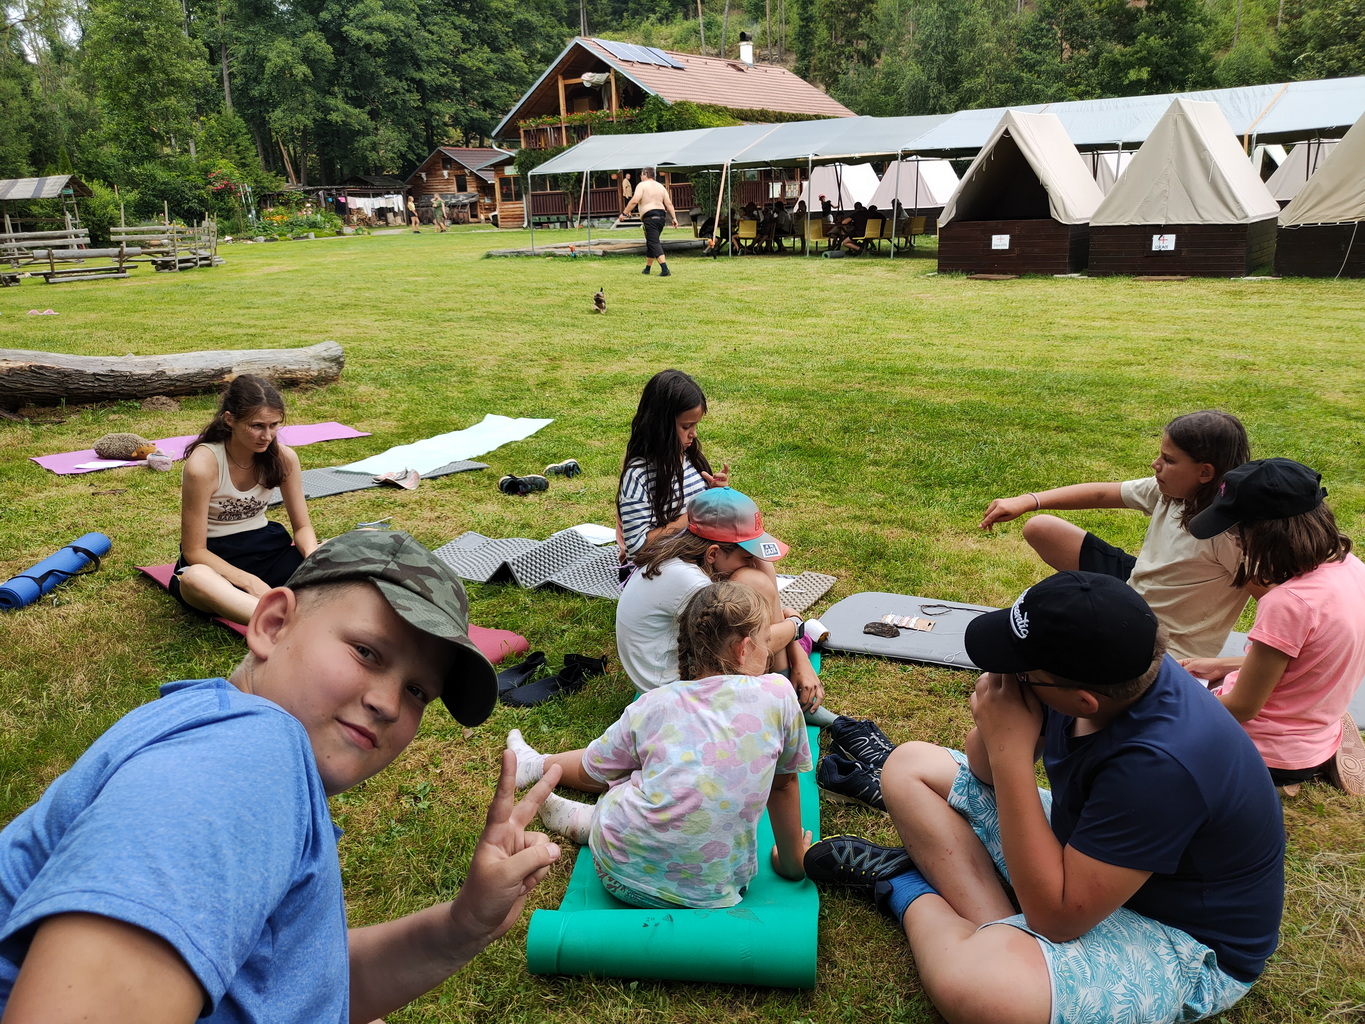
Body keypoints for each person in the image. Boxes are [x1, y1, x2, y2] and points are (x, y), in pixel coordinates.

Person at [0, 529, 564, 1023]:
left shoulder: (243, 748)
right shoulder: (243, 764)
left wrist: (461, 928)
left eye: (418, 690)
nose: (390, 704)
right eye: (367, 652)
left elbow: (293, 988)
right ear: (272, 625)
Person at [803, 571, 1285, 1024]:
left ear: (1083, 702)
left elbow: (1056, 920)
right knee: (909, 766)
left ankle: (908, 886)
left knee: (982, 989)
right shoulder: (1111, 673)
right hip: (1090, 859)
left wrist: (1011, 754)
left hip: (1183, 939)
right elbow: (981, 769)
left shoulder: (1161, 765)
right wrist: (998, 729)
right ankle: (1003, 934)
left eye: (1020, 672)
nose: (1006, 676)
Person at [511, 488, 832, 798]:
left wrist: (797, 650)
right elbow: (754, 646)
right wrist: (795, 627)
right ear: (713, 553)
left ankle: (790, 692)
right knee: (646, 768)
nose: (749, 562)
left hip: (677, 671)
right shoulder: (691, 584)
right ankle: (536, 767)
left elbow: (763, 616)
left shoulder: (687, 558)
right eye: (744, 555)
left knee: (760, 573)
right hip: (668, 690)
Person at [527, 581, 813, 908]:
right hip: (713, 892)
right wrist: (793, 864)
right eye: (766, 642)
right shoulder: (778, 694)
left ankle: (589, 820)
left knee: (636, 767)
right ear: (743, 649)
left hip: (619, 877)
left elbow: (594, 768)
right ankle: (586, 819)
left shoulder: (654, 704)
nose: (768, 651)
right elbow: (783, 785)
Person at [980, 409, 1256, 659]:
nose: (1155, 464)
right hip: (1137, 592)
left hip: (1163, 647)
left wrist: (1235, 665)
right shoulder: (1170, 493)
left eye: (1168, 460)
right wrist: (1028, 501)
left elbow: (1274, 601)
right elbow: (1103, 493)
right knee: (1042, 528)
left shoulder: (1231, 536)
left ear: (1205, 472)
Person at [1180, 458, 1365, 796]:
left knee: (1146, 727)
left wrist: (1169, 706)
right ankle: (1311, 755)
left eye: (1235, 531)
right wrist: (1221, 666)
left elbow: (1242, 707)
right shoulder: (1354, 569)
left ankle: (1269, 782)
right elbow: (1309, 662)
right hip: (1310, 740)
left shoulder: (1289, 603)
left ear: (1266, 534)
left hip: (1260, 750)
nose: (1235, 541)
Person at [172, 374, 318, 625]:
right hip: (216, 562)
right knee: (195, 579)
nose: (267, 436)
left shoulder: (284, 458)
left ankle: (278, 613)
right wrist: (250, 582)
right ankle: (287, 624)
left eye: (274, 425)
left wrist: (314, 558)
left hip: (268, 551)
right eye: (257, 426)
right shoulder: (204, 464)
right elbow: (194, 550)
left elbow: (303, 527)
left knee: (347, 547)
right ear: (230, 420)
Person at [615, 368, 728, 561]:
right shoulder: (638, 475)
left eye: (696, 425)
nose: (694, 434)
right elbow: (636, 550)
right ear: (660, 426)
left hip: (696, 555)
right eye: (686, 426)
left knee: (754, 556)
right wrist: (694, 515)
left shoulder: (691, 459)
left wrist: (716, 494)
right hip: (659, 565)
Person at [619, 166, 677, 276]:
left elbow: (634, 200)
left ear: (645, 174)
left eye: (641, 174)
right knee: (651, 241)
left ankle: (665, 269)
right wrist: (674, 218)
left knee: (653, 242)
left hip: (650, 217)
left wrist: (624, 213)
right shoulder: (660, 186)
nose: (641, 177)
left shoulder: (642, 185)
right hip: (661, 218)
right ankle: (647, 268)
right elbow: (669, 203)